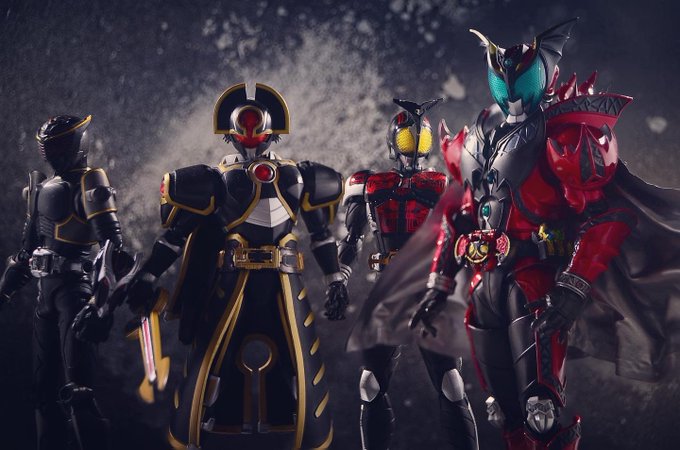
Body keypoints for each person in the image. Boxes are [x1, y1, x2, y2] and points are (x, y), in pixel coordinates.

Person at [123, 83, 348, 449]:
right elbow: (175, 236)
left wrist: (335, 277)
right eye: (244, 128)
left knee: (298, 368)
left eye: (256, 127)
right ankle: (197, 429)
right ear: (231, 133)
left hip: (284, 285)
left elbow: (320, 235)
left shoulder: (298, 176)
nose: (251, 136)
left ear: (271, 130)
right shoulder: (215, 180)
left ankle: (305, 431)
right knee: (213, 361)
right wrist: (148, 274)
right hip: (232, 283)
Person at [339, 98, 478, 450]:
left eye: (421, 140)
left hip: (430, 285)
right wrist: (338, 277)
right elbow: (352, 238)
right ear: (393, 141)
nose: (414, 148)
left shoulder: (443, 184)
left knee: (452, 383)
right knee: (369, 384)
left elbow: (461, 236)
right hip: (390, 286)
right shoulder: (369, 183)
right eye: (406, 139)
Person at [0, 115, 121, 449]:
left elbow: (113, 251)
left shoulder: (90, 182)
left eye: (56, 145)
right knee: (43, 393)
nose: (50, 152)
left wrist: (100, 305)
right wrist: (5, 291)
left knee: (77, 391)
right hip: (46, 297)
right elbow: (25, 255)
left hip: (75, 294)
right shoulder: (40, 188)